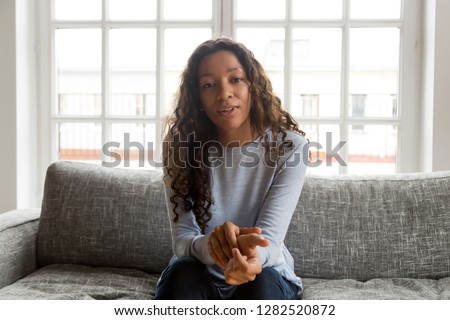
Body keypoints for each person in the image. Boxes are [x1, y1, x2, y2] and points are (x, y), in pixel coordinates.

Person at [155, 38, 308, 300]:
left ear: (253, 86)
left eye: (235, 79)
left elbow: (270, 240)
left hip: (265, 271)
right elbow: (183, 241)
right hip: (198, 273)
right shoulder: (179, 147)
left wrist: (249, 257)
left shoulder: (290, 147)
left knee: (262, 283)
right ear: (197, 98)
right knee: (183, 273)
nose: (224, 93)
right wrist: (214, 246)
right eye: (209, 85)